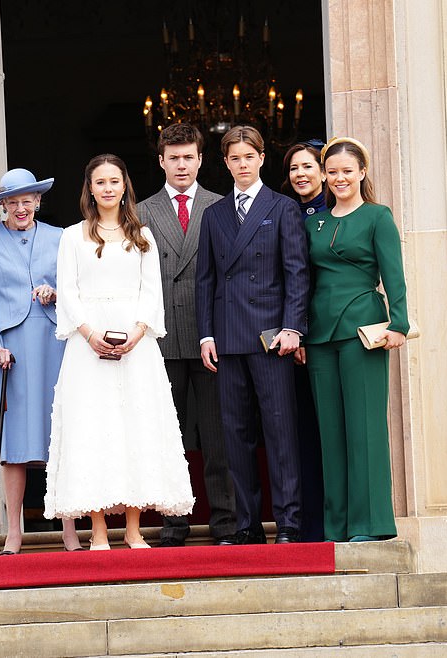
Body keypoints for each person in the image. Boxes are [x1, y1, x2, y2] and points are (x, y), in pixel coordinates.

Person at [44, 153, 194, 550]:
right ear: (90, 189)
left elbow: (152, 291)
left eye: (115, 181)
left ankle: (132, 528)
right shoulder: (72, 236)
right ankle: (97, 531)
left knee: (135, 429)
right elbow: (69, 291)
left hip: (136, 346)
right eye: (100, 182)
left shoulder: (142, 234)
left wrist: (139, 331)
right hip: (86, 346)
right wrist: (90, 334)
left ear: (124, 185)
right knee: (93, 430)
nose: (108, 188)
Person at [195, 126, 310, 545]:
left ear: (262, 158)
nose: (242, 164)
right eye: (234, 158)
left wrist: (293, 328)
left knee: (280, 433)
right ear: (224, 163)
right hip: (226, 340)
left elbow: (296, 273)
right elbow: (205, 280)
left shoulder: (282, 208)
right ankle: (247, 524)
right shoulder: (215, 214)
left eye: (249, 156)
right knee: (235, 435)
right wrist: (206, 335)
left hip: (271, 338)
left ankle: (289, 522)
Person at [301, 136, 409, 542]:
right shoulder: (314, 222)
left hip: (363, 331)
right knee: (331, 433)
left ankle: (370, 523)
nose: (339, 178)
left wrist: (398, 323)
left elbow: (393, 274)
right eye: (332, 172)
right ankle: (338, 525)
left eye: (348, 171)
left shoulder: (378, 216)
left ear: (362, 172)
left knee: (364, 429)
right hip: (320, 334)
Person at [137, 123, 237, 547]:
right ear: (161, 161)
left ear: (200, 159)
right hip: (159, 341)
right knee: (166, 438)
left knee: (218, 437)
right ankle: (173, 524)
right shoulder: (140, 213)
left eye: (188, 157)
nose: (181, 165)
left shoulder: (223, 206)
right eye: (173, 157)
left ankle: (227, 524)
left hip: (210, 337)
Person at [0, 168, 83, 554]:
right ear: (2, 205)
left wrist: (56, 294)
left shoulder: (61, 237)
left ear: (38, 201)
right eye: (12, 201)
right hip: (12, 350)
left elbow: (78, 289)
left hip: (55, 341)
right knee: (15, 441)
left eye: (27, 200)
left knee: (60, 434)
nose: (20, 208)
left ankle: (69, 530)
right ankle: (14, 532)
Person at [281, 141, 327, 542]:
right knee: (301, 435)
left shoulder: (335, 213)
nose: (300, 174)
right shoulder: (284, 211)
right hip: (292, 342)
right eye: (294, 168)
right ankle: (306, 525)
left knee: (327, 431)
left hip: (327, 334)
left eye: (308, 166)